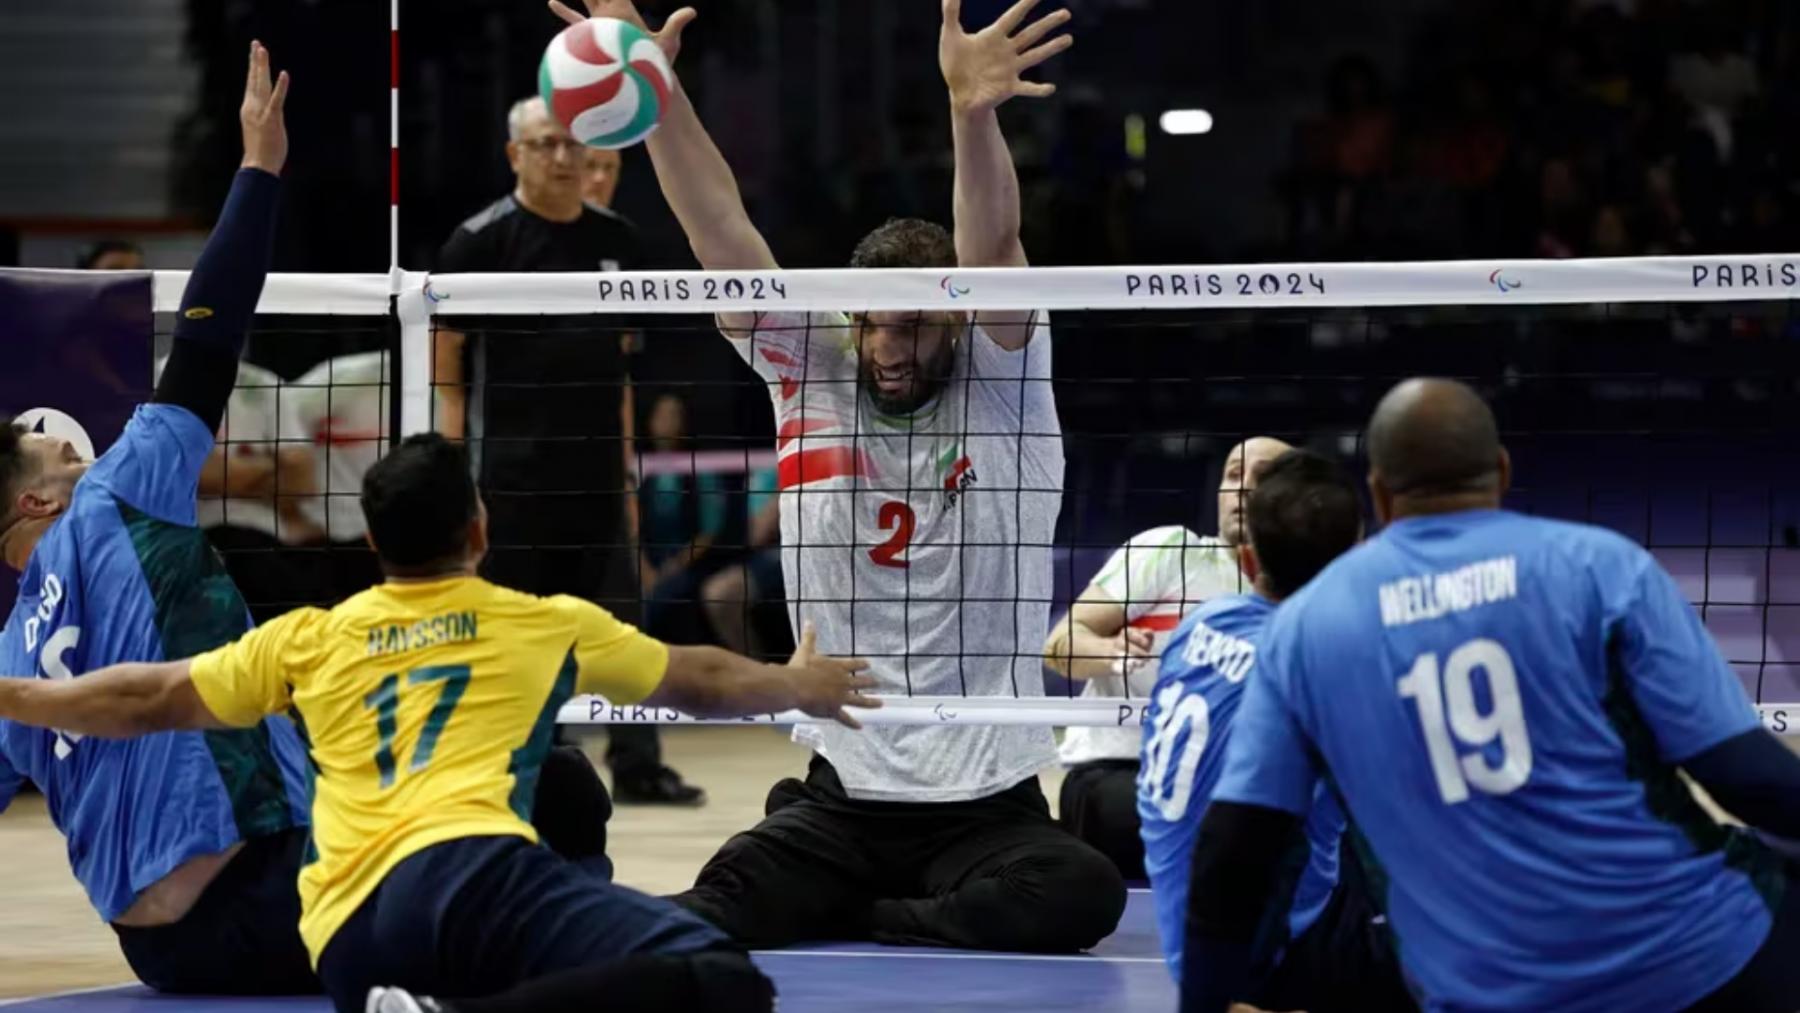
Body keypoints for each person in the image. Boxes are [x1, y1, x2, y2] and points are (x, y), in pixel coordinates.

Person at [557, 0, 1124, 951]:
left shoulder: (1003, 385)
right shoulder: (811, 366)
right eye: (876, 325)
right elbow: (721, 234)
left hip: (985, 797)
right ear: (850, 320)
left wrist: (970, 112)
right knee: (713, 904)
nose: (892, 348)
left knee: (1078, 893)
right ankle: (868, 903)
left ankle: (865, 917)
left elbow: (990, 255)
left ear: (955, 324)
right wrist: (658, 97)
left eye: (916, 326)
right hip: (844, 790)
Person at [0, 432, 880, 1013]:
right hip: (464, 877)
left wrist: (11, 694)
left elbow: (139, 697)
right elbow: (701, 678)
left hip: (337, 928)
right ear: (480, 528)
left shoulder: (309, 638)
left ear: (374, 546)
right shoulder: (538, 621)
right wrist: (797, 683)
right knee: (713, 972)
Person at [1182, 378, 1800, 1013]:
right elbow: (1745, 776)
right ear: (1502, 471)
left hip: (1482, 987)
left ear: (1378, 494)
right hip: (1685, 958)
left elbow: (1234, 853)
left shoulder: (1303, 628)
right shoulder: (1600, 567)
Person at [0, 43, 318, 995]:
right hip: (269, 894)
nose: (79, 448)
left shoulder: (10, 659)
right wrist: (259, 169)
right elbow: (211, 337)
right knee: (536, 820)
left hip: (159, 954)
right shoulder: (115, 494)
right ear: (36, 497)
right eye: (60, 451)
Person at [434, 95, 701, 806]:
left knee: (622, 627)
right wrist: (455, 474)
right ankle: (522, 767)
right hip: (510, 482)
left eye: (572, 146)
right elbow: (448, 364)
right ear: (515, 154)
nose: (562, 158)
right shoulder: (480, 242)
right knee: (514, 633)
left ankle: (638, 764)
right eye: (545, 145)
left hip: (595, 478)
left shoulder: (618, 240)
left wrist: (627, 470)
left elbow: (619, 370)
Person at [1139, 449, 1411, 1012]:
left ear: (1246, 557)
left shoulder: (1199, 624)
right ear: (1355, 558)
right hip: (1267, 941)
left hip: (1188, 931)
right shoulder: (1328, 664)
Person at [1041, 437, 1288, 880]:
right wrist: (1107, 651)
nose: (1244, 489)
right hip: (1120, 771)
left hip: (1233, 786)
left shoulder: (1305, 594)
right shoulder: (1171, 551)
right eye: (1234, 475)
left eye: (1265, 477)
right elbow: (1061, 645)